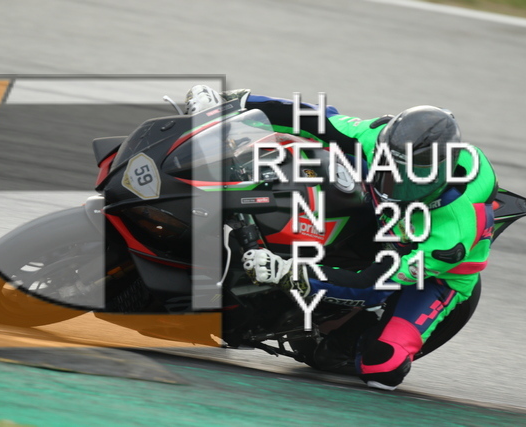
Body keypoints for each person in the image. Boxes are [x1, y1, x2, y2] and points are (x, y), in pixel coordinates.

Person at [185, 85, 498, 390]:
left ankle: (353, 330)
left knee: (381, 368)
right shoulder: (381, 138)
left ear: (435, 177)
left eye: (404, 180)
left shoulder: (450, 237)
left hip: (429, 272)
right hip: (388, 218)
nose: (391, 183)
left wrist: (287, 272)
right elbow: (315, 119)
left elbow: (373, 286)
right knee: (311, 154)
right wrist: (233, 101)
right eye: (387, 169)